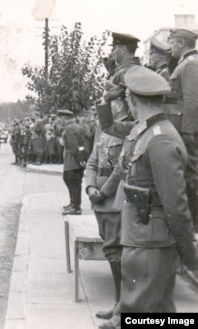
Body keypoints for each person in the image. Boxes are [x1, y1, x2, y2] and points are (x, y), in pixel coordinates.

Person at [101, 66, 198, 329]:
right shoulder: (146, 133)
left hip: (151, 243)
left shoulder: (159, 140)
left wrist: (189, 253)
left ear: (132, 100)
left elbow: (176, 206)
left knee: (135, 315)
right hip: (143, 239)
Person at [83, 88, 130, 321]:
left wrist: (103, 191)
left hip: (113, 199)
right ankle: (119, 305)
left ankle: (122, 308)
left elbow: (122, 167)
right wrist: (91, 188)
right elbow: (92, 161)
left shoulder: (125, 129)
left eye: (107, 103)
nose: (102, 108)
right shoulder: (104, 129)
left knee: (116, 253)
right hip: (99, 200)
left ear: (119, 105)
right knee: (111, 252)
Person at [163, 28, 198, 230]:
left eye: (172, 42)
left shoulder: (190, 65)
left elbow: (192, 101)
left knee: (192, 175)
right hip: (182, 128)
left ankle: (194, 224)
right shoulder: (185, 64)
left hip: (187, 130)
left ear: (182, 43)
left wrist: (188, 132)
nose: (170, 47)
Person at [59, 109, 86, 215]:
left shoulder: (69, 128)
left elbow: (74, 146)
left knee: (72, 181)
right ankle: (73, 203)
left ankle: (75, 207)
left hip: (72, 161)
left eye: (60, 118)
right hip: (76, 160)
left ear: (65, 119)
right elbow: (81, 145)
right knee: (73, 182)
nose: (59, 120)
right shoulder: (76, 126)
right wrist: (82, 159)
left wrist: (79, 160)